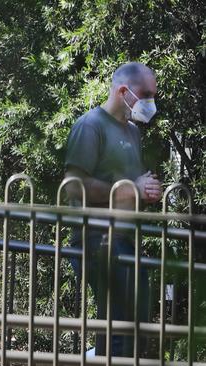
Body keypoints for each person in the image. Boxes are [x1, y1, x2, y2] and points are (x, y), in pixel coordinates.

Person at [64, 62, 162, 357]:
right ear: (123, 91)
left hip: (126, 240)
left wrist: (146, 191)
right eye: (146, 94)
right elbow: (73, 185)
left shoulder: (133, 131)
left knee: (133, 325)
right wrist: (133, 187)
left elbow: (127, 186)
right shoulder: (90, 125)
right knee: (122, 326)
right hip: (97, 240)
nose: (150, 102)